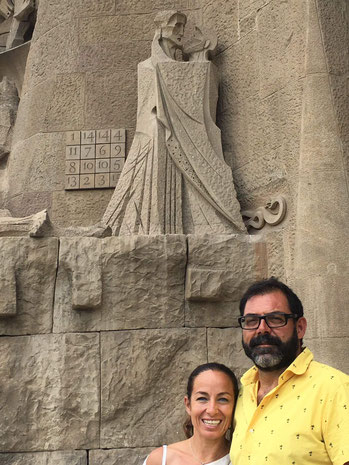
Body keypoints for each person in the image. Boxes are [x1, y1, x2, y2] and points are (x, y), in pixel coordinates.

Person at [102, 10, 245, 235]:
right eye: (175, 25)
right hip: (156, 135)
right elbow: (147, 109)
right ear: (160, 29)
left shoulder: (186, 68)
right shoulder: (146, 66)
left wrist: (202, 63)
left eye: (183, 26)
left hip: (182, 136)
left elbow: (202, 100)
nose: (181, 32)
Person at [230, 277, 349, 465]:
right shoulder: (242, 392)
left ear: (300, 328)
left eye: (275, 319)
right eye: (251, 321)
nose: (262, 329)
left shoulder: (335, 388)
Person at [144, 362, 238, 465]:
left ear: (235, 406)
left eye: (223, 399)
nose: (211, 410)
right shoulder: (161, 459)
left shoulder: (243, 460)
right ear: (188, 405)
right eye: (202, 398)